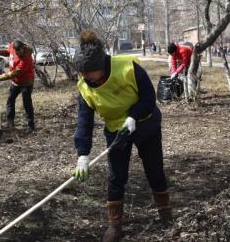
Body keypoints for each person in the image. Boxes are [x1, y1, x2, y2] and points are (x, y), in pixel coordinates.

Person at [72, 30, 171, 242]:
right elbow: (84, 120)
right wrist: (82, 154)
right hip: (116, 132)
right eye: (83, 75)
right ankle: (115, 225)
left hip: (145, 125)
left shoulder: (127, 67)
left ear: (101, 67)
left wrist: (133, 117)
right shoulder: (84, 86)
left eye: (89, 75)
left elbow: (148, 97)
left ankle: (165, 214)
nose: (86, 79)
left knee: (154, 170)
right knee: (116, 177)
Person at [0, 40, 36, 134]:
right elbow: (9, 52)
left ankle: (31, 126)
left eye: (19, 53)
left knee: (27, 103)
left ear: (22, 49)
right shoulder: (13, 46)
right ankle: (10, 122)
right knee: (10, 100)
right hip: (15, 82)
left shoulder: (27, 59)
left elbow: (14, 73)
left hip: (26, 83)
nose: (17, 54)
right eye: (16, 53)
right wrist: (0, 52)